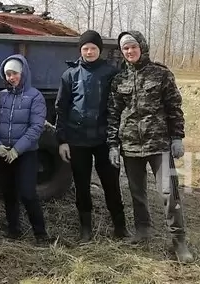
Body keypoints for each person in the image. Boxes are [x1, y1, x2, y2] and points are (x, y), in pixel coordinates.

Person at [106, 30, 194, 263]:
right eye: (125, 48)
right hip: (131, 145)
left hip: (159, 144)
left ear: (142, 47)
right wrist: (113, 145)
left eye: (133, 46)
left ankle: (179, 241)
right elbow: (113, 114)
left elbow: (174, 107)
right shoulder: (119, 79)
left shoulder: (161, 74)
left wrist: (177, 137)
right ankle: (143, 230)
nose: (129, 51)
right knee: (137, 193)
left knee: (169, 192)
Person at [55, 30, 127, 243]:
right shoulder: (70, 75)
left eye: (93, 48)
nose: (89, 51)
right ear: (80, 50)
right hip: (77, 140)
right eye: (85, 48)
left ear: (99, 50)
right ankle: (85, 228)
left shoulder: (111, 73)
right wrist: (62, 140)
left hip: (104, 139)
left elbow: (119, 107)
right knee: (82, 185)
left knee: (111, 183)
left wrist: (116, 140)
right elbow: (61, 108)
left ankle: (120, 226)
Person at [0, 54, 51, 245]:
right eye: (7, 74)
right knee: (8, 192)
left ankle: (40, 234)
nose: (11, 77)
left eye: (14, 73)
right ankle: (13, 229)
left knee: (27, 193)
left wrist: (17, 150)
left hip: (25, 154)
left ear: (23, 73)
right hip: (3, 153)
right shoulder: (1, 97)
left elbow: (36, 127)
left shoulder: (35, 97)